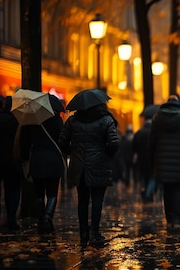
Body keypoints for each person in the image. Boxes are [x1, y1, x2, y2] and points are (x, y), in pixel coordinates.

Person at [58, 96, 119, 245]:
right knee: (97, 199)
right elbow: (114, 142)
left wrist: (73, 152)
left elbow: (62, 141)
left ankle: (83, 232)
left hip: (79, 165)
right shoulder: (106, 120)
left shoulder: (72, 120)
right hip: (99, 163)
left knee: (83, 200)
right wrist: (106, 154)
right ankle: (95, 232)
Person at [149, 95, 180, 231]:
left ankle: (169, 219)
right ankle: (177, 220)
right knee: (178, 191)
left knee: (167, 191)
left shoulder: (157, 118)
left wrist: (152, 160)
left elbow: (151, 142)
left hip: (162, 161)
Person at [19, 94, 65, 233]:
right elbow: (62, 140)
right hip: (53, 161)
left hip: (37, 161)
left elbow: (24, 142)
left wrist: (25, 158)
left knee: (39, 192)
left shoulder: (30, 122)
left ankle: (41, 216)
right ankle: (47, 217)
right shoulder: (57, 121)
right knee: (52, 193)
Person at [0, 96, 22, 231]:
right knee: (14, 190)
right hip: (14, 159)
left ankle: (3, 215)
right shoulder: (18, 121)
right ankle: (11, 218)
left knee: (3, 189)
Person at [133, 118, 156, 202]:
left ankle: (147, 192)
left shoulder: (139, 133)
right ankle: (148, 194)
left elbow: (134, 146)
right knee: (152, 177)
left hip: (141, 159)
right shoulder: (153, 132)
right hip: (151, 159)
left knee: (145, 177)